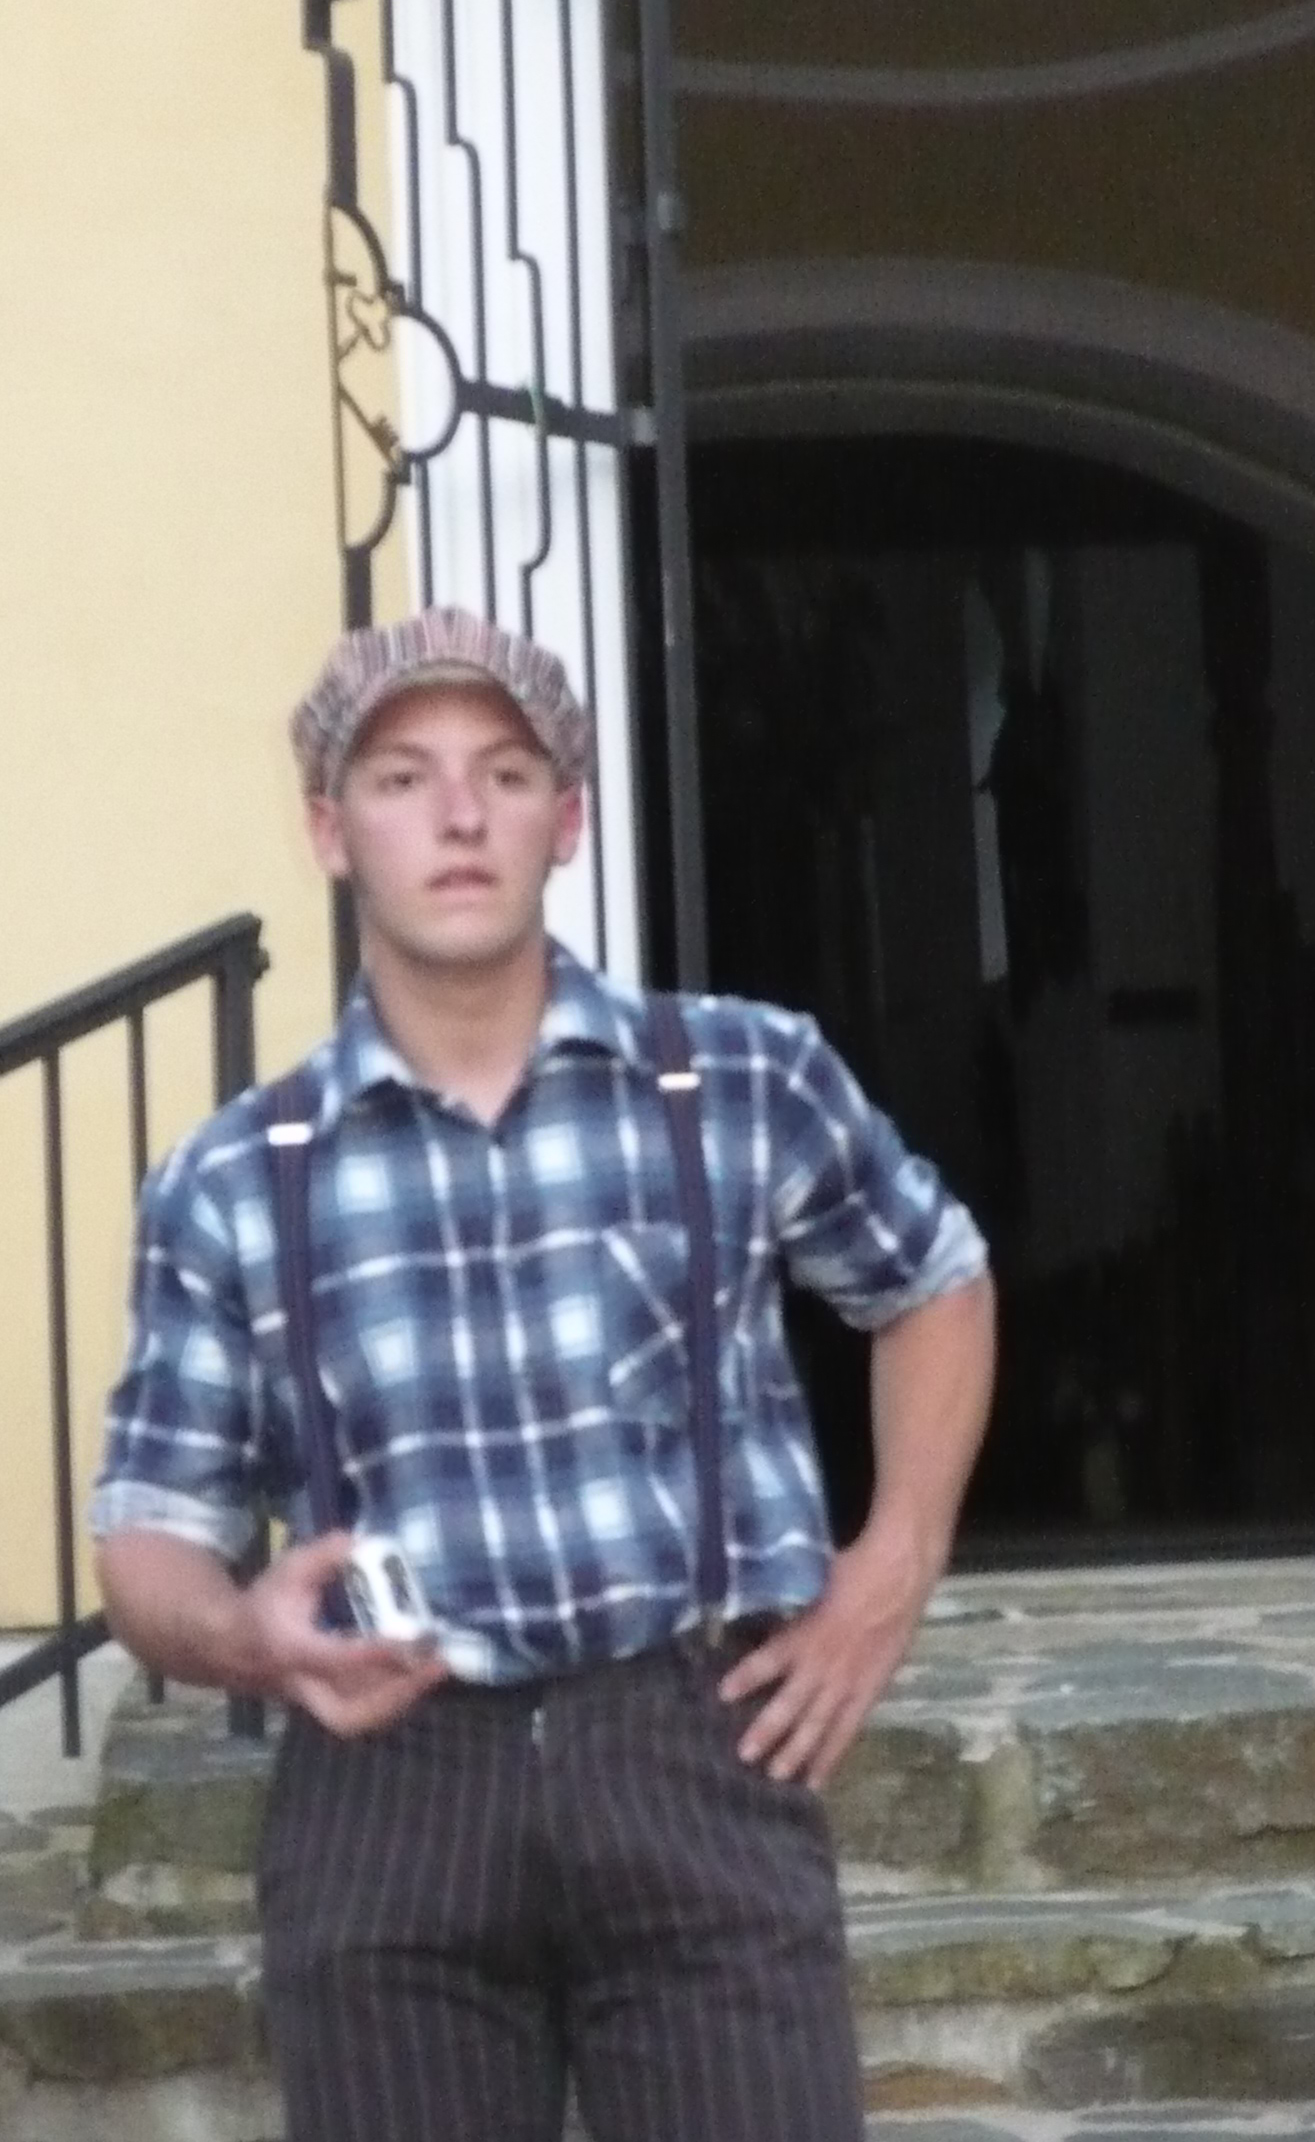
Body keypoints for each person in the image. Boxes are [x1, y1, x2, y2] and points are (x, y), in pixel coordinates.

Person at [90, 608, 997, 2142]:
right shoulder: (233, 1180)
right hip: (389, 1789)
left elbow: (934, 1282)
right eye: (402, 778)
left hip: (693, 1748)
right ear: (331, 830)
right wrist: (241, 1634)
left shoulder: (741, 1079)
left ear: (565, 821)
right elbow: (146, 1538)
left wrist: (891, 1568)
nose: (459, 814)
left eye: (505, 774)